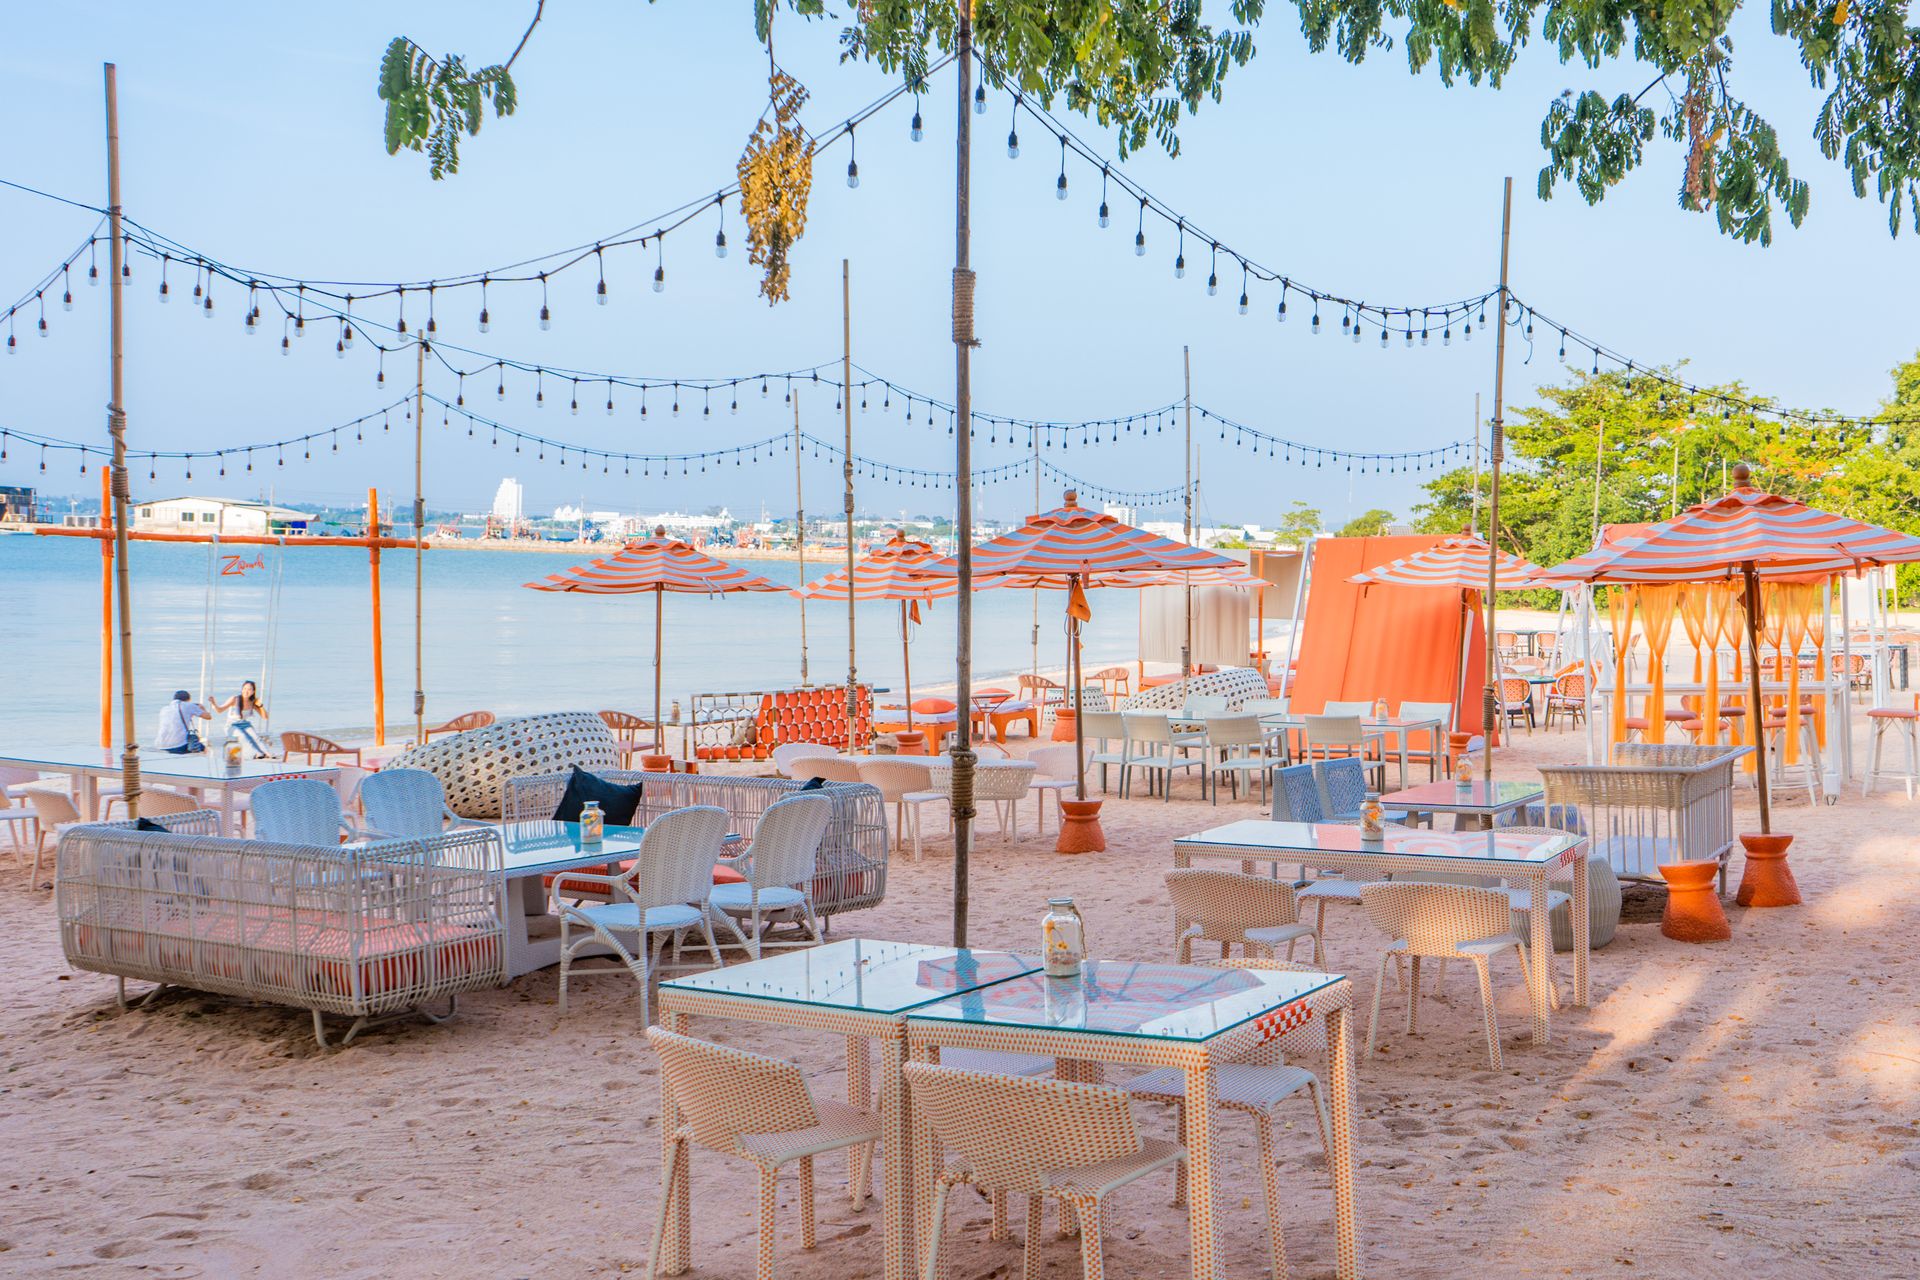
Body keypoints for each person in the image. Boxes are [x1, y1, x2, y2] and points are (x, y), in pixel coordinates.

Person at [213, 680, 271, 759]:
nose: (246, 691)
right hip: (232, 726)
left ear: (253, 691)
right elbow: (219, 710)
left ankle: (267, 753)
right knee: (244, 737)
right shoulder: (235, 699)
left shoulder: (253, 702)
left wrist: (260, 706)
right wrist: (214, 703)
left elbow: (265, 717)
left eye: (249, 689)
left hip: (245, 724)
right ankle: (256, 754)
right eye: (244, 689)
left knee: (256, 737)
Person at [154, 690, 210, 754]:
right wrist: (202, 708)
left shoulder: (164, 709)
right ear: (188, 699)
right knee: (203, 747)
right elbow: (208, 717)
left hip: (160, 745)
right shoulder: (189, 705)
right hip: (178, 746)